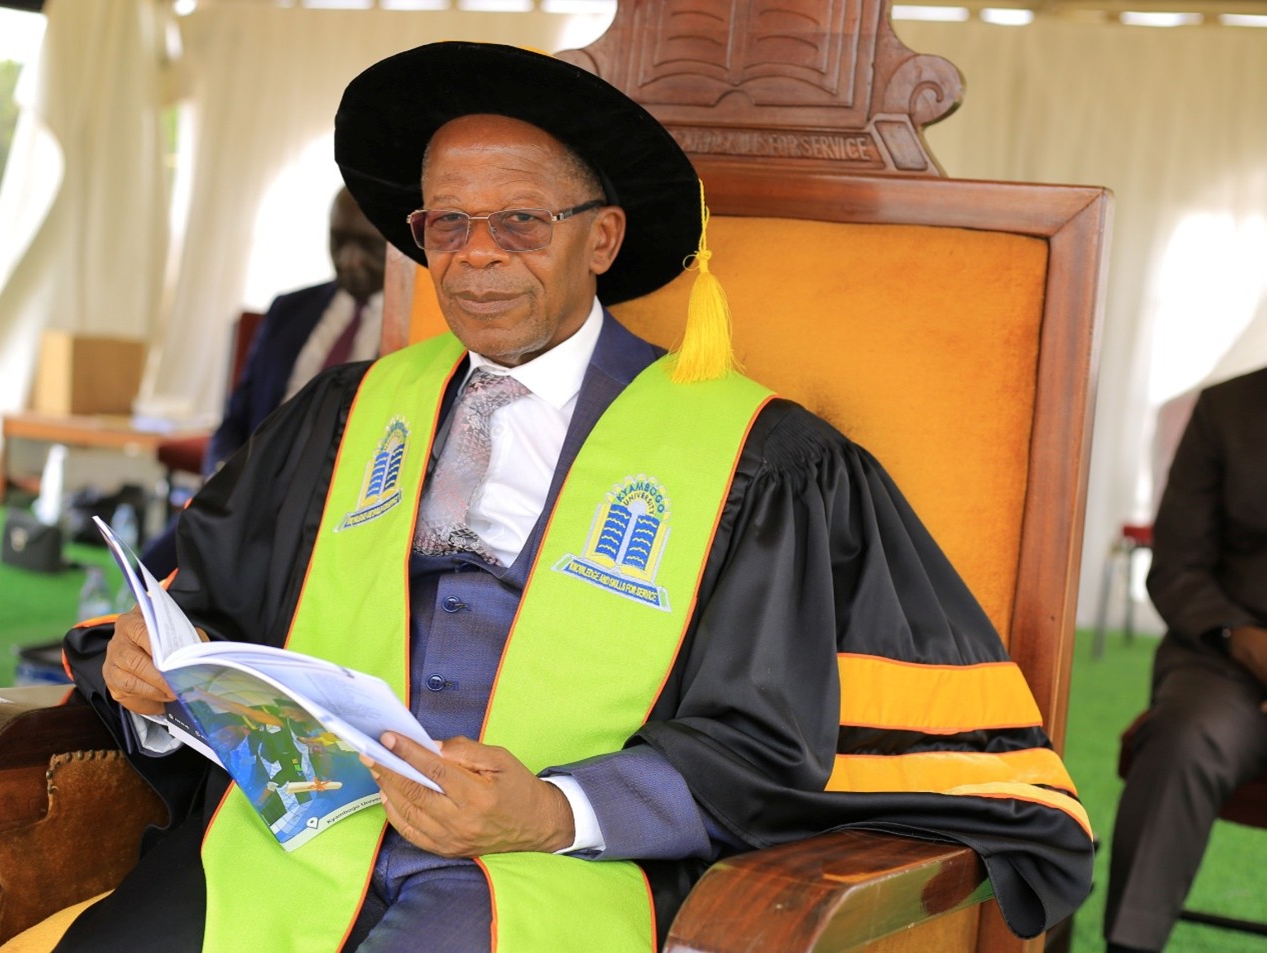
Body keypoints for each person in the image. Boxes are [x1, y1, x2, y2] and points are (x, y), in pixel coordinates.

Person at [59, 41, 1092, 953]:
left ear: (600, 240)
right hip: (293, 846)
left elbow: (771, 742)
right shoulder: (343, 415)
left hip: (557, 869)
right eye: (448, 221)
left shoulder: (759, 462)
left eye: (518, 221)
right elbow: (210, 618)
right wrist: (157, 683)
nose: (473, 255)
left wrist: (553, 809)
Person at [1104, 367, 1267, 953]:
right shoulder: (1226, 410)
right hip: (1226, 656)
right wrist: (1241, 637)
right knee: (1184, 740)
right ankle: (1131, 946)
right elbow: (1176, 565)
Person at [140, 186, 385, 576]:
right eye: (338, 241)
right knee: (152, 571)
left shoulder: (416, 329)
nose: (349, 259)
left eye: (367, 246)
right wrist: (221, 470)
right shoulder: (290, 310)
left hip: (336, 507)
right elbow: (237, 416)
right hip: (252, 491)